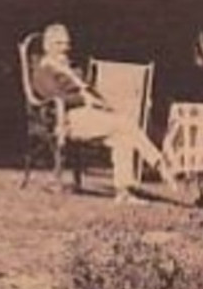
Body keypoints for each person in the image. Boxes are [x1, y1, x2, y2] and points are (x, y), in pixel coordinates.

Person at [30, 24, 177, 204]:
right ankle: (159, 163)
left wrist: (99, 102)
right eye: (59, 43)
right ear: (47, 46)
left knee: (122, 137)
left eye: (67, 43)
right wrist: (84, 99)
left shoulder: (69, 68)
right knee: (124, 125)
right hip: (67, 119)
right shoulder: (43, 70)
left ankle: (123, 192)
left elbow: (87, 90)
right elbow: (54, 96)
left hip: (87, 115)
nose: (65, 48)